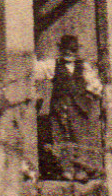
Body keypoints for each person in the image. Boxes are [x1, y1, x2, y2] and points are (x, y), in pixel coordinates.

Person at [35, 34, 102, 177]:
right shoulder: (53, 65)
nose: (69, 53)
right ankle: (67, 169)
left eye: (73, 50)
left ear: (76, 51)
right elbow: (36, 71)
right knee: (61, 136)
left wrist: (92, 96)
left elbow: (95, 85)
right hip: (60, 106)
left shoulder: (83, 66)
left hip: (80, 107)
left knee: (80, 136)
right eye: (66, 50)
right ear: (61, 50)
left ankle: (81, 169)